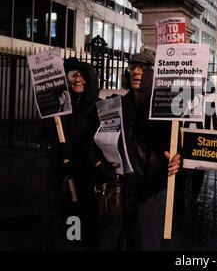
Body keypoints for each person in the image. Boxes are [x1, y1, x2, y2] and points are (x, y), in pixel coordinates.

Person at [98, 47, 181, 250]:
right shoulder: (114, 105)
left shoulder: (165, 110)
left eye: (143, 67)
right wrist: (101, 165)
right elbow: (97, 144)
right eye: (133, 66)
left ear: (155, 73)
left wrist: (178, 159)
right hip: (119, 192)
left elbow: (177, 148)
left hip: (150, 194)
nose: (136, 71)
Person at [40, 57, 101, 250]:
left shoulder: (99, 107)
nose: (78, 79)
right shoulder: (56, 108)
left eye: (82, 76)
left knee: (85, 229)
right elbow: (43, 140)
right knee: (63, 230)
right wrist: (56, 148)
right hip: (61, 179)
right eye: (73, 75)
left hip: (87, 179)